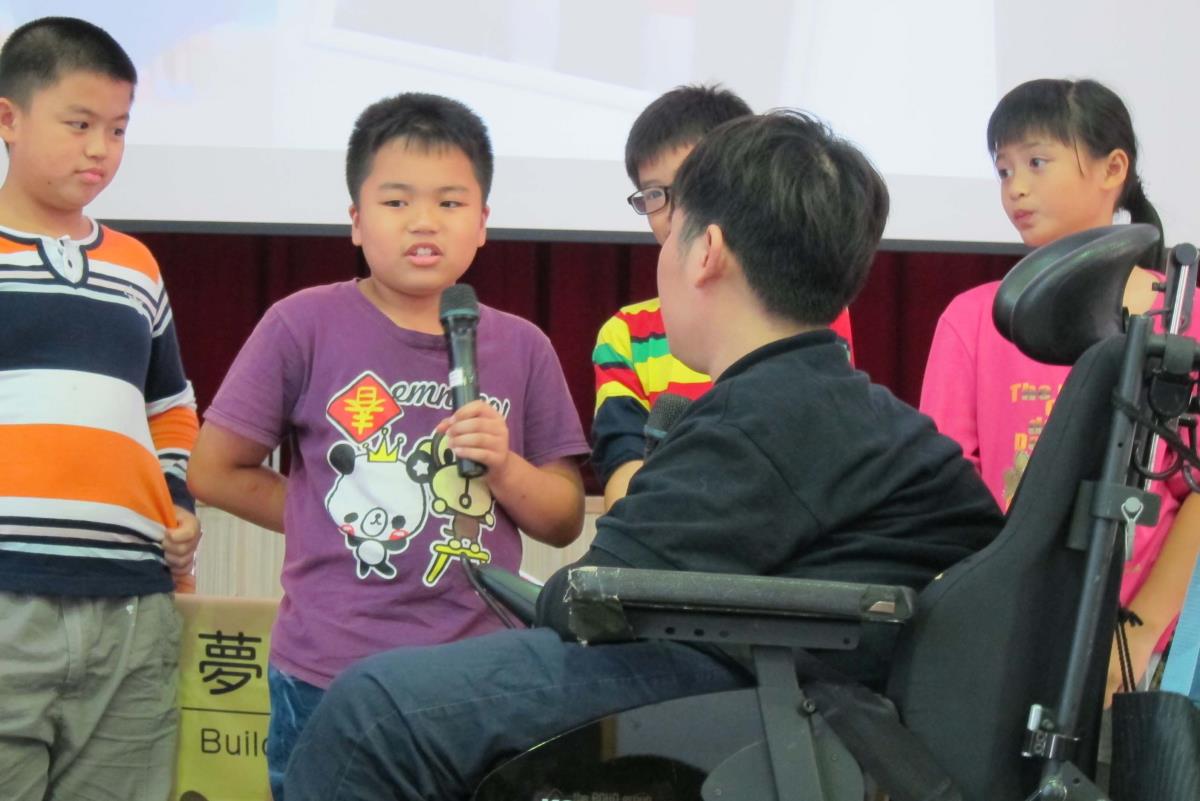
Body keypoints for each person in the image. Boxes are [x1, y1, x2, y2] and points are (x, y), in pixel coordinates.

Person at [282, 109, 1003, 801]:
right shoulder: (843, 405)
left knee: (372, 712)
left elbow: (595, 599)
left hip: (796, 693)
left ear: (706, 251)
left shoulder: (764, 415)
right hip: (819, 687)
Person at [186, 92, 589, 799]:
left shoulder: (522, 346)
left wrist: (504, 466)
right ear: (355, 220)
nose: (423, 221)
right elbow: (214, 471)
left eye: (450, 202)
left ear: (483, 223)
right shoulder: (302, 324)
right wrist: (335, 514)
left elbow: (562, 517)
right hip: (329, 671)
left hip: (479, 675)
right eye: (397, 201)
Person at [919, 78, 1200, 700]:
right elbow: (945, 487)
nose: (1015, 188)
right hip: (1005, 635)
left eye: (1037, 163)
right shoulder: (972, 318)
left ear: (1112, 169)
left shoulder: (1185, 317)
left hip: (1150, 654)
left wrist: (1139, 633)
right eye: (1003, 170)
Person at [0, 16, 202, 801]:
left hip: (132, 601)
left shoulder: (136, 266)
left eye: (117, 129)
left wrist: (179, 500)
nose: (100, 150)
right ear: (9, 118)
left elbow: (170, 406)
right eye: (79, 124)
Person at [593, 84, 855, 509]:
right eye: (655, 194)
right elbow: (623, 475)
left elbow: (824, 443)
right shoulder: (625, 335)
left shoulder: (802, 306)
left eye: (692, 187)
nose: (674, 213)